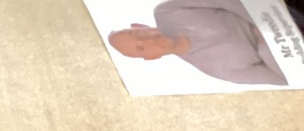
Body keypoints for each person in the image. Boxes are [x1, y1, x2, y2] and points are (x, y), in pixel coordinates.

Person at [108, 0, 287, 86]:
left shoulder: (168, 11)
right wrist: (266, 43)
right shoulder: (217, 70)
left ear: (139, 25)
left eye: (137, 33)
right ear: (151, 57)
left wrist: (265, 23)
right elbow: (285, 78)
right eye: (141, 47)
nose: (147, 39)